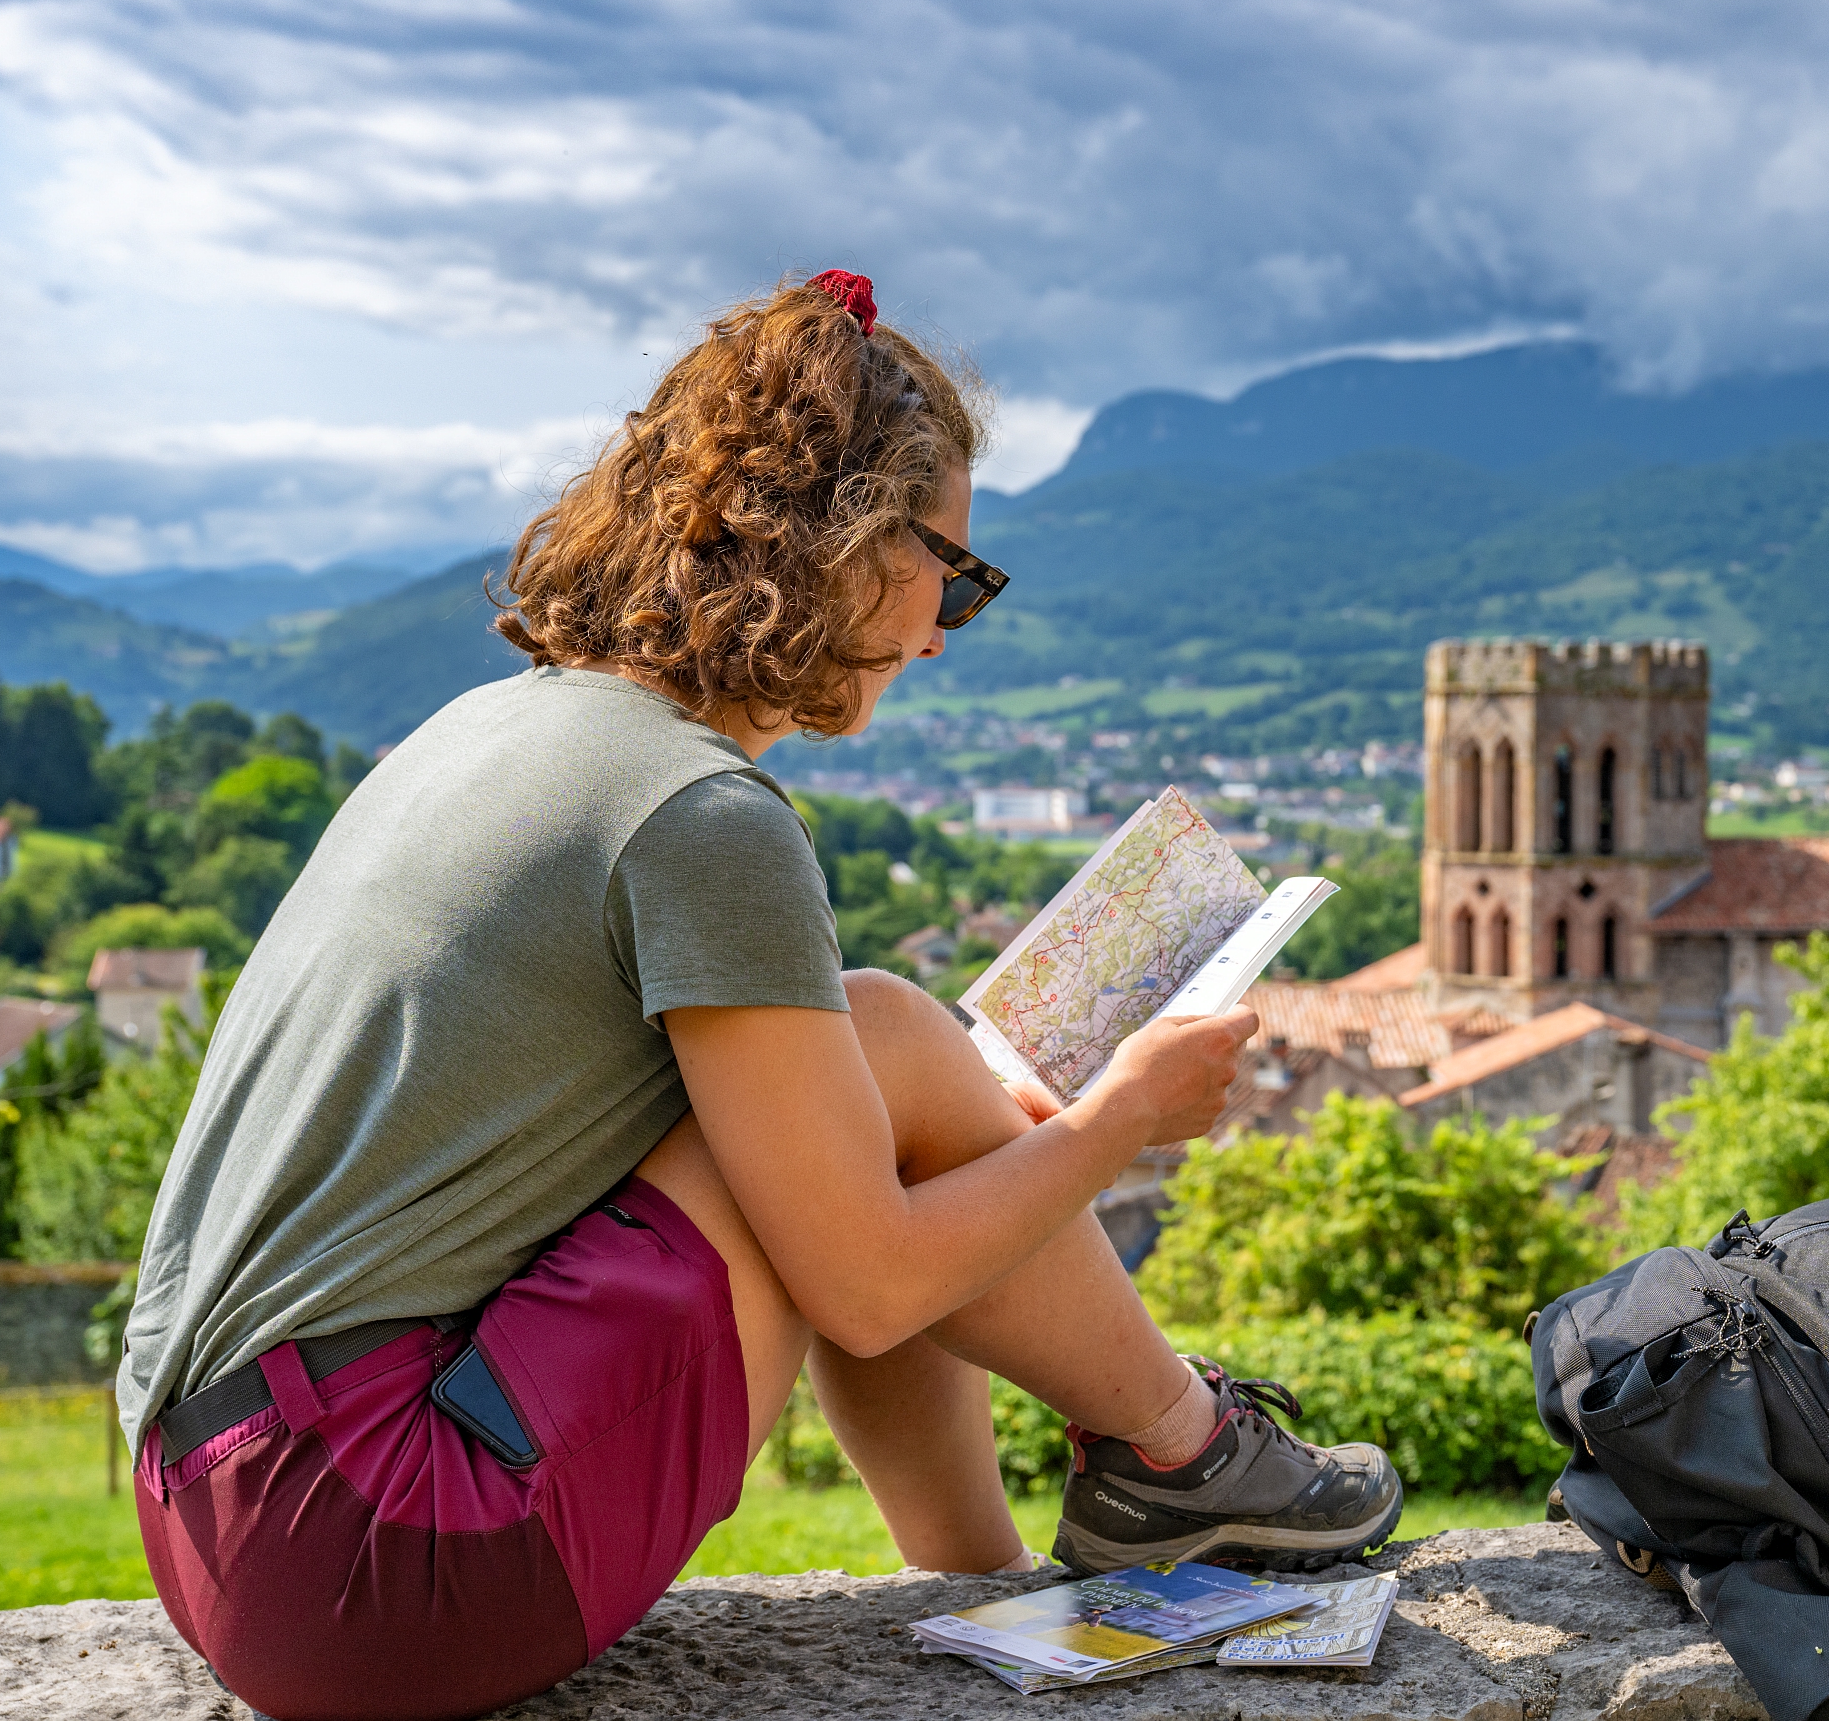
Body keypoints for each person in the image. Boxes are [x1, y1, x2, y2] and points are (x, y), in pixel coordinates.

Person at [117, 271, 1401, 1721]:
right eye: (951, 574)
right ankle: (1184, 1457)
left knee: (881, 1068)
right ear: (845, 545)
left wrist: (994, 1134)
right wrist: (1116, 1124)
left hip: (233, 1521)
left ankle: (998, 1569)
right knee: (890, 1050)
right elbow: (864, 1284)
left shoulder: (501, 731)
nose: (939, 632)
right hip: (396, 1552)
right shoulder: (699, 817)